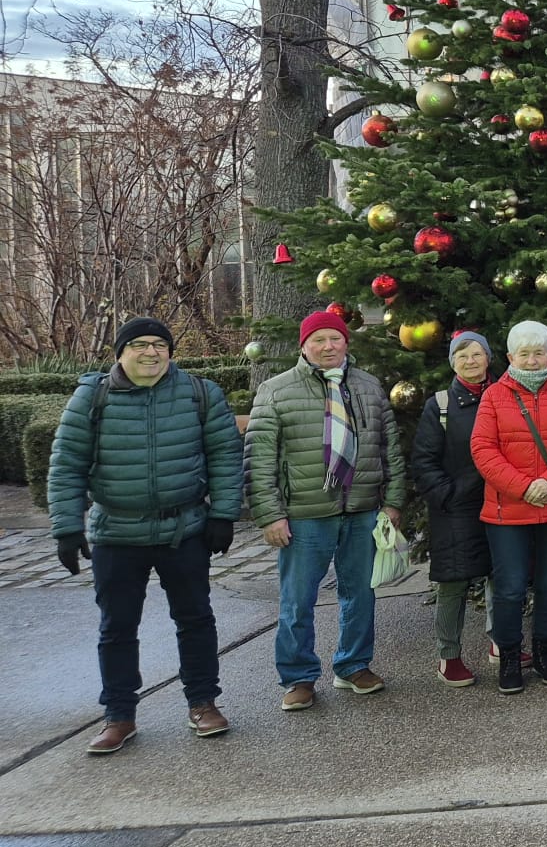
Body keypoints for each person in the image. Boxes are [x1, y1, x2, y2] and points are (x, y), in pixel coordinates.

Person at [47, 316, 242, 754]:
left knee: (195, 619)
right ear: (120, 352)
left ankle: (203, 703)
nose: (151, 352)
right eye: (139, 345)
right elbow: (67, 464)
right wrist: (66, 527)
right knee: (117, 627)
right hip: (116, 532)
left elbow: (225, 455)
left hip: (184, 529)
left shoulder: (199, 393)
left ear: (170, 352)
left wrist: (224, 514)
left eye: (159, 344)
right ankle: (119, 715)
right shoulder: (91, 398)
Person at [246, 309, 406, 711]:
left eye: (334, 339)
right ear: (304, 346)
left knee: (360, 594)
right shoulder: (276, 391)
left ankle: (353, 664)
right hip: (304, 514)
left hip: (362, 509)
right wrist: (269, 514)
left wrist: (393, 501)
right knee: (297, 600)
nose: (327, 346)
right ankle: (298, 677)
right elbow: (259, 459)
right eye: (318, 340)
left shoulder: (369, 387)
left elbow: (391, 450)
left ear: (346, 343)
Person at [471, 321, 547, 694]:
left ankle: (544, 652)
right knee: (509, 588)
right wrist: (525, 487)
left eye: (539, 352)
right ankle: (510, 657)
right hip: (508, 509)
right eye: (524, 353)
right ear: (510, 358)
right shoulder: (494, 396)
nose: (533, 359)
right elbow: (482, 449)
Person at [409, 331, 496, 686]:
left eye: (477, 354)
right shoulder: (440, 405)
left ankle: (500, 643)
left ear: (488, 357)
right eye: (463, 356)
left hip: (500, 499)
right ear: (453, 363)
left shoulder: (503, 394)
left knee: (499, 575)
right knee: (454, 582)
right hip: (456, 506)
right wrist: (450, 494)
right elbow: (424, 460)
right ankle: (449, 655)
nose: (471, 361)